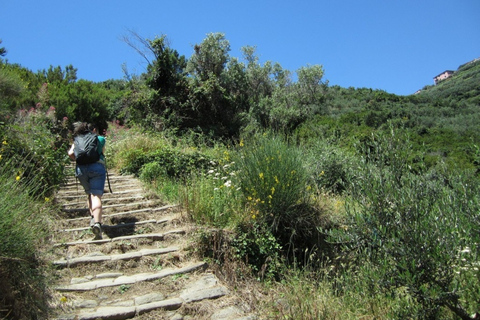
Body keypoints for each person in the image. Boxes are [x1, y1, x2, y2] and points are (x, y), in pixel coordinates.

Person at [68, 122, 106, 240]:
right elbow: (102, 153)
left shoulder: (77, 140)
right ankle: (97, 223)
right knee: (96, 196)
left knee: (89, 193)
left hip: (81, 170)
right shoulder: (99, 138)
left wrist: (78, 160)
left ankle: (93, 218)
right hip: (97, 168)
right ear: (93, 130)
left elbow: (70, 154)